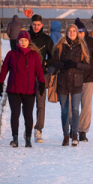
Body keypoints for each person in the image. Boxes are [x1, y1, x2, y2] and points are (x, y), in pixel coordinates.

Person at [0, 31, 46, 148]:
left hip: (30, 90)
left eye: (25, 40)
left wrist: (42, 83)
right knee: (15, 113)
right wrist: (0, 83)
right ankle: (15, 139)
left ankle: (28, 139)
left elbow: (39, 70)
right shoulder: (11, 54)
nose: (23, 42)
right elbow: (4, 69)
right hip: (14, 89)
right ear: (18, 41)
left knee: (28, 115)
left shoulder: (34, 55)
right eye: (21, 40)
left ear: (29, 42)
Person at [53, 24, 90, 146]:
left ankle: (75, 134)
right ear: (67, 32)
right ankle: (66, 135)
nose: (72, 33)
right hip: (63, 81)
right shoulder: (60, 45)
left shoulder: (82, 46)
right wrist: (63, 65)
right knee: (64, 111)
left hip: (76, 82)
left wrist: (75, 64)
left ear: (77, 33)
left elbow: (87, 65)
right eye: (70, 31)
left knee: (75, 109)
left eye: (74, 31)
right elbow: (54, 62)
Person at [74, 18, 93, 142]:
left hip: (88, 78)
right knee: (73, 107)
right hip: (73, 79)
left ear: (85, 31)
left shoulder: (92, 43)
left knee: (86, 106)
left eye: (81, 32)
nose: (80, 34)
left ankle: (82, 131)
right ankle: (73, 129)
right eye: (77, 32)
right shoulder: (70, 43)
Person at [28, 14, 54, 143]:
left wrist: (46, 63)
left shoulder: (47, 39)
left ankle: (38, 129)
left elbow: (53, 56)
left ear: (42, 25)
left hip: (41, 75)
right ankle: (28, 129)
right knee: (27, 104)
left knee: (41, 103)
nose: (36, 27)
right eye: (34, 25)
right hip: (27, 75)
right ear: (31, 24)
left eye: (38, 25)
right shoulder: (26, 37)